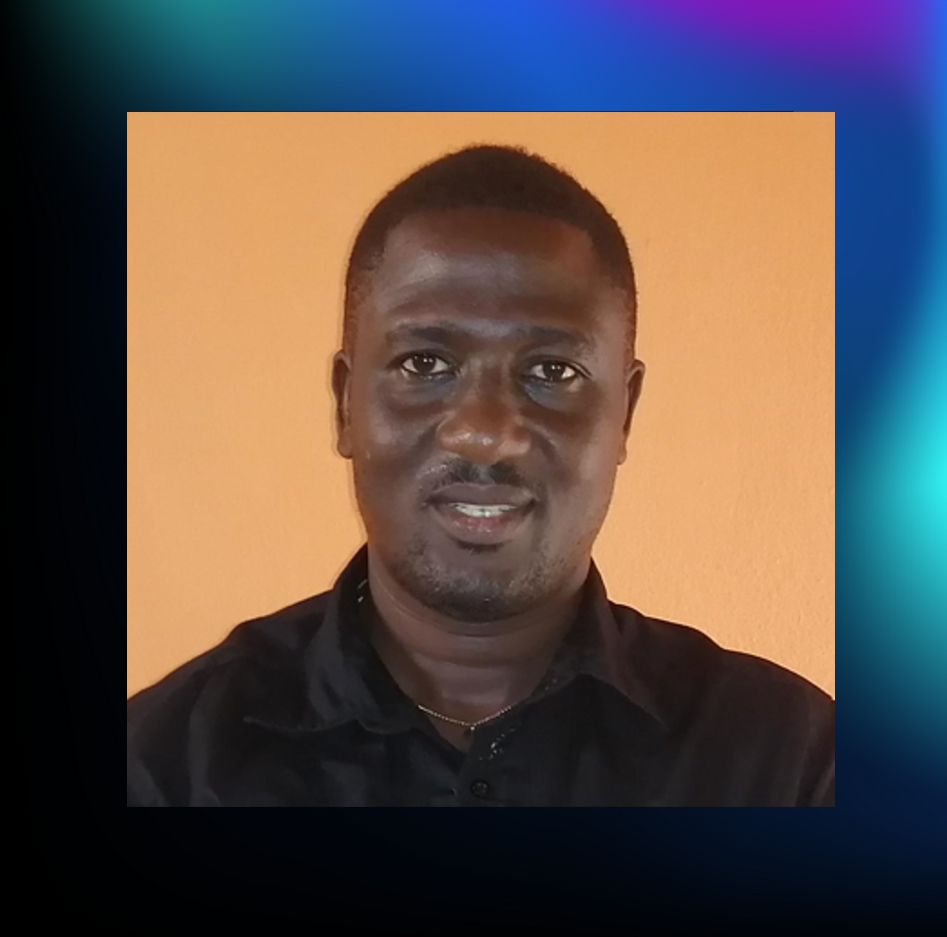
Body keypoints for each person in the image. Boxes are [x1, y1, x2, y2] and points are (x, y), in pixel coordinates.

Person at [127, 144, 835, 807]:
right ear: (346, 403)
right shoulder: (167, 765)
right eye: (424, 365)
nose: (485, 431)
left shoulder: (786, 761)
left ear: (624, 414)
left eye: (551, 371)